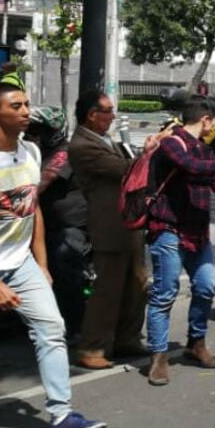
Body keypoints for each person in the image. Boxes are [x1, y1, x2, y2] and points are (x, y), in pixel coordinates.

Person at [0, 83, 107, 428]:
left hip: (21, 264)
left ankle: (62, 414)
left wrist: (41, 264)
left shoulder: (30, 151)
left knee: (51, 328)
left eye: (27, 103)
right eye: (17, 105)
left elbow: (33, 209)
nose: (27, 110)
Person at [146, 96, 215, 386]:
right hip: (168, 230)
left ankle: (195, 343)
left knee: (206, 287)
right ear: (206, 120)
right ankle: (159, 357)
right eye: (214, 122)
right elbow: (193, 168)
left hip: (198, 232)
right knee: (165, 294)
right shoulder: (173, 142)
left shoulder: (205, 149)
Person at [69, 91, 154, 370]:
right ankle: (92, 347)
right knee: (107, 289)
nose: (112, 116)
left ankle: (126, 339)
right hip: (108, 225)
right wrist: (151, 152)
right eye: (107, 111)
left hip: (128, 222)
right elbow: (126, 170)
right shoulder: (83, 144)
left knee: (137, 284)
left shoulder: (105, 140)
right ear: (92, 114)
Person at [28, 106, 91, 345]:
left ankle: (76, 326)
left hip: (68, 225)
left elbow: (40, 183)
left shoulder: (63, 153)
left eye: (36, 131)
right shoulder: (29, 151)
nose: (30, 135)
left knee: (62, 264)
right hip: (36, 221)